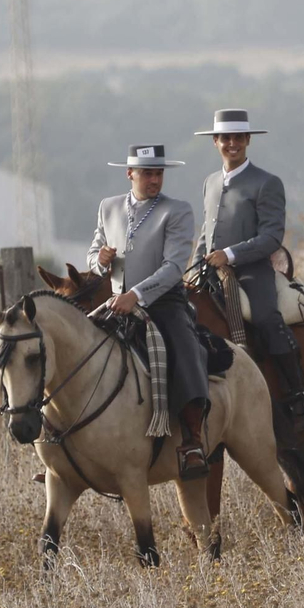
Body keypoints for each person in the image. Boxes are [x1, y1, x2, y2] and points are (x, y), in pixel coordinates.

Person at [192, 108, 304, 432]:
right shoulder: (209, 182)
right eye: (225, 138)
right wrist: (193, 265)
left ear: (248, 140)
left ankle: (298, 394)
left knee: (265, 317)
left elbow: (271, 237)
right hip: (209, 271)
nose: (232, 143)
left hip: (253, 271)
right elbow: (206, 234)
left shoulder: (267, 182)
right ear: (216, 142)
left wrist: (230, 255)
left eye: (238, 138)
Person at [88, 144, 211, 480]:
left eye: (158, 173)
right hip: (116, 302)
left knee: (185, 349)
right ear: (130, 174)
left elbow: (174, 267)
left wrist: (136, 295)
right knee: (76, 345)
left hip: (164, 302)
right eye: (147, 173)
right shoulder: (108, 207)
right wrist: (99, 262)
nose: (154, 179)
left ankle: (192, 439)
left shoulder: (178, 210)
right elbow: (94, 251)